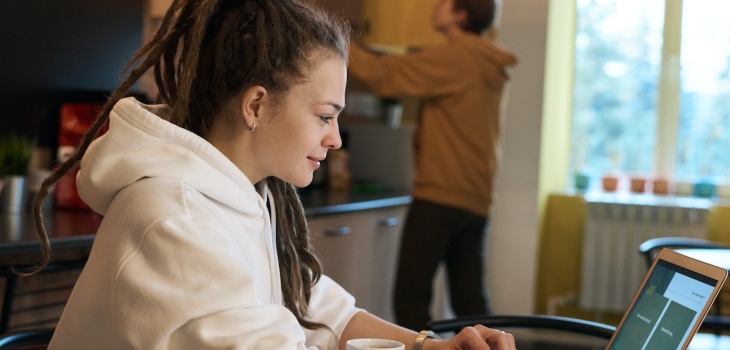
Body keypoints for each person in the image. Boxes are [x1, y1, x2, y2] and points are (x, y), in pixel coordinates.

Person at [29, 0, 515, 349]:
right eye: (326, 116)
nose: (336, 138)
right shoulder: (174, 220)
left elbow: (320, 311)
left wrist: (429, 346)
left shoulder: (255, 195)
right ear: (256, 105)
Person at [347, 0, 518, 332]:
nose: (435, 5)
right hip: (476, 197)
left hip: (439, 196)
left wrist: (333, 37)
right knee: (470, 303)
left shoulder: (456, 56)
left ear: (461, 14)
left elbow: (384, 75)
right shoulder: (485, 59)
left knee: (410, 300)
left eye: (444, 1)